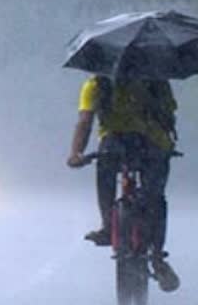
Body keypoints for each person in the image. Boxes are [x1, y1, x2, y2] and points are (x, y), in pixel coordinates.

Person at [67, 74, 179, 291]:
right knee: (155, 196)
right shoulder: (157, 80)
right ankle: (157, 256)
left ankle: (108, 225)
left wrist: (76, 154)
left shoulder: (97, 84)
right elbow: (169, 115)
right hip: (153, 145)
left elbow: (85, 121)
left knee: (105, 172)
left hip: (114, 145)